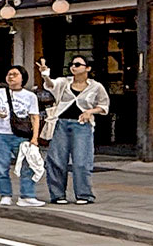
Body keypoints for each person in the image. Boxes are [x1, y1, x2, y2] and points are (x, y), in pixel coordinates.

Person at [44, 56, 111, 205]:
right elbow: (51, 85)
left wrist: (91, 111)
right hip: (60, 123)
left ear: (88, 68)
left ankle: (84, 195)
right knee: (56, 160)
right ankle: (57, 195)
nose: (73, 67)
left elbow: (104, 105)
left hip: (82, 125)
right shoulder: (64, 82)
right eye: (72, 64)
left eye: (78, 64)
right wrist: (45, 74)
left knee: (81, 161)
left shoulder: (96, 86)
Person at [0, 66, 44, 206]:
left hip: (21, 135)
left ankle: (27, 195)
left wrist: (35, 138)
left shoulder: (30, 96)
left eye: (15, 74)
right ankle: (5, 194)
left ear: (22, 78)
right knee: (1, 165)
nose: (11, 77)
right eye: (9, 74)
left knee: (28, 164)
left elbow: (35, 117)